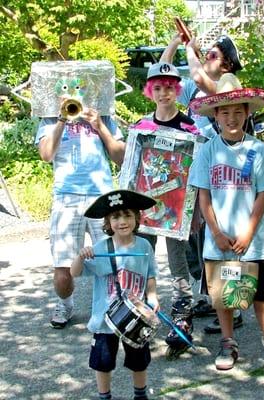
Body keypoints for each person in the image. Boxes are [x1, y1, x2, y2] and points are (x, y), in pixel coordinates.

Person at [188, 73, 264, 378]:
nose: (232, 117)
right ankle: (228, 342)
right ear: (216, 116)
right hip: (218, 240)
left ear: (247, 113)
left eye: (239, 111)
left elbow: (263, 193)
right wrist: (216, 232)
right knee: (224, 295)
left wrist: (249, 230)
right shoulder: (208, 150)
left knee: (259, 295)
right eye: (225, 112)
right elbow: (204, 195)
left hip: (249, 240)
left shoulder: (258, 150)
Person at [160, 33, 245, 333]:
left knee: (226, 240)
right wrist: (174, 44)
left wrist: (189, 49)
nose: (205, 58)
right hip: (198, 172)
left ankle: (234, 307)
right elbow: (164, 76)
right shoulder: (196, 93)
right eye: (205, 53)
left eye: (213, 55)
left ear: (227, 66)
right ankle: (211, 297)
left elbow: (195, 74)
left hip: (224, 174)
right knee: (198, 241)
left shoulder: (224, 87)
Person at [36, 91, 125, 329]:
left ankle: (115, 306)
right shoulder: (48, 121)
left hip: (101, 196)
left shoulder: (103, 116)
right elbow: (45, 155)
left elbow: (121, 157)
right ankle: (65, 304)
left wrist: (99, 126)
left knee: (112, 261)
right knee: (63, 270)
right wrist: (62, 119)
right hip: (66, 198)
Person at [70, 189, 159, 400]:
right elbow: (74, 272)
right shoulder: (101, 248)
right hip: (105, 319)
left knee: (139, 359)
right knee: (103, 361)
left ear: (137, 218)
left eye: (128, 215)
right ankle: (104, 396)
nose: (122, 221)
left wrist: (153, 296)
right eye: (116, 217)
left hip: (135, 316)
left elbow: (150, 275)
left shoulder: (145, 246)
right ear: (108, 222)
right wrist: (81, 256)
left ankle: (140, 395)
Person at [135, 61, 198, 359]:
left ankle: (183, 317)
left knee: (178, 263)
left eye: (169, 88)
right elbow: (130, 166)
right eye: (157, 88)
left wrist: (194, 210)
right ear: (150, 91)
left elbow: (196, 170)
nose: (163, 93)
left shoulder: (190, 127)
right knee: (142, 259)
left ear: (177, 90)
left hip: (176, 209)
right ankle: (140, 313)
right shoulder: (141, 127)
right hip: (146, 208)